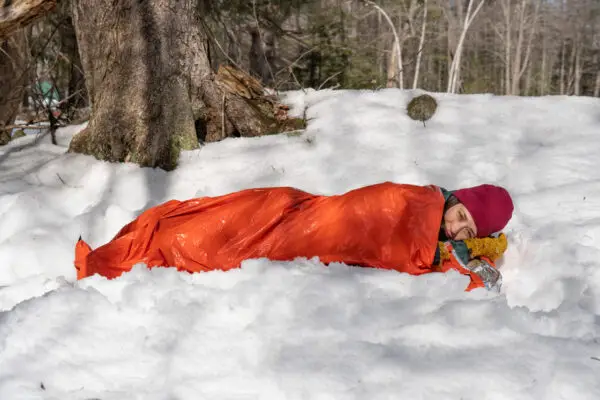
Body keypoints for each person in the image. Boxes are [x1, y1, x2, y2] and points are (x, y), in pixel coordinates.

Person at [75, 182, 513, 291]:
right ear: (453, 198)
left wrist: (473, 254)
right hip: (287, 211)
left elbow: (472, 272)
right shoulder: (415, 201)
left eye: (469, 230)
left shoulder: (446, 244)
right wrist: (457, 254)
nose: (456, 228)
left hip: (297, 233)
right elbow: (388, 230)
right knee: (192, 234)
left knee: (207, 244)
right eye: (459, 215)